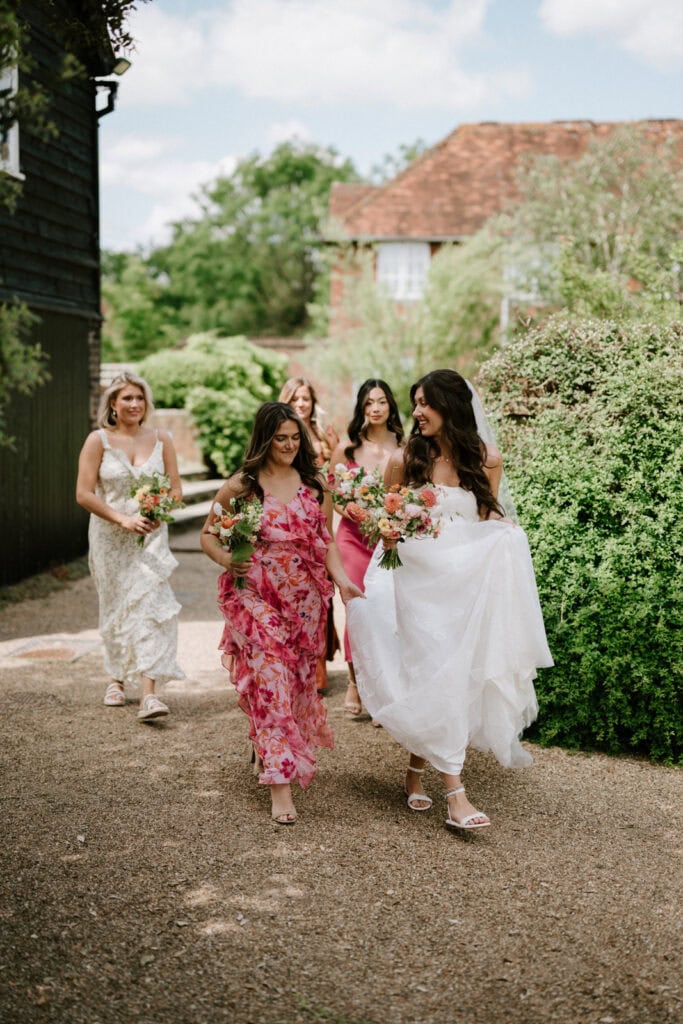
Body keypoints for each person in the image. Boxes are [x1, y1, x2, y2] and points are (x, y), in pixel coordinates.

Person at [346, 369, 553, 831]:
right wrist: (388, 533)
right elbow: (387, 521)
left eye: (426, 403)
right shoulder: (405, 460)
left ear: (452, 407)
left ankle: (415, 772)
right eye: (415, 402)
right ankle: (456, 796)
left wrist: (507, 534)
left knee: (449, 677)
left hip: (461, 586)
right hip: (412, 582)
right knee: (435, 670)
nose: (416, 411)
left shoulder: (487, 459)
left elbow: (486, 521)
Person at [200, 402, 363, 825]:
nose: (290, 445)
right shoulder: (242, 486)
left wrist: (342, 581)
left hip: (306, 600)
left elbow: (324, 541)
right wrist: (226, 559)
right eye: (280, 439)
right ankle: (281, 784)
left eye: (295, 438)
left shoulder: (314, 484)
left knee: (292, 685)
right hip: (255, 597)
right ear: (264, 439)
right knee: (272, 682)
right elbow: (208, 534)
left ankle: (264, 743)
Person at [76, 372, 185, 720]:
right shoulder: (98, 441)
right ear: (112, 403)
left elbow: (176, 490)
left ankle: (150, 694)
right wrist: (122, 519)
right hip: (109, 537)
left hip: (151, 537)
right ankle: (116, 678)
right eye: (127, 398)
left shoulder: (162, 438)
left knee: (151, 605)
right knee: (116, 605)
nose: (134, 404)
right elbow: (84, 493)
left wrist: (158, 510)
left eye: (139, 398)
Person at [328, 379, 404, 717]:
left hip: (389, 538)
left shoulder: (406, 446)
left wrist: (390, 521)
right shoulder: (346, 450)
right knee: (356, 608)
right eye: (369, 402)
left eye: (382, 401)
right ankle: (355, 683)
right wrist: (359, 513)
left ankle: (382, 688)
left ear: (390, 406)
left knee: (387, 610)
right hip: (353, 537)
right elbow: (335, 497)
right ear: (361, 407)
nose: (375, 408)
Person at [279, 376, 341, 692]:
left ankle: (317, 665)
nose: (301, 404)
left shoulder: (321, 435)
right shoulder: (279, 435)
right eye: (296, 399)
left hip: (318, 508)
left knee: (320, 587)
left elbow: (334, 472)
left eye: (306, 399)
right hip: (287, 508)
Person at [278, 377, 339, 469]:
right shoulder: (277, 434)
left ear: (313, 402)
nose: (300, 404)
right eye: (294, 399)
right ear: (286, 402)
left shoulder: (327, 433)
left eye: (306, 399)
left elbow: (340, 468)